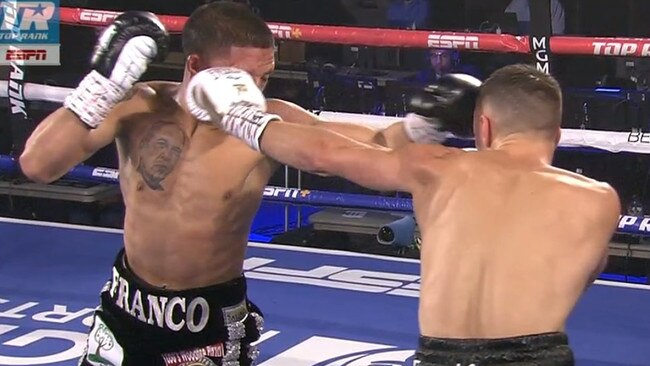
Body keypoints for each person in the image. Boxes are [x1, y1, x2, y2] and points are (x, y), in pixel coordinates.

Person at [19, 3, 428, 365]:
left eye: (262, 78)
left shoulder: (273, 124)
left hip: (207, 323)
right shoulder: (136, 106)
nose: (250, 92)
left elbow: (374, 144)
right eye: (241, 78)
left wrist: (426, 125)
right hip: (125, 308)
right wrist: (101, 84)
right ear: (195, 66)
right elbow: (38, 164)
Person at [201, 63, 621, 365]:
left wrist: (238, 114)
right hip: (541, 356)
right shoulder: (601, 200)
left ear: (484, 128)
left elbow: (326, 155)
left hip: (441, 357)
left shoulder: (436, 167)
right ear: (558, 134)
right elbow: (580, 272)